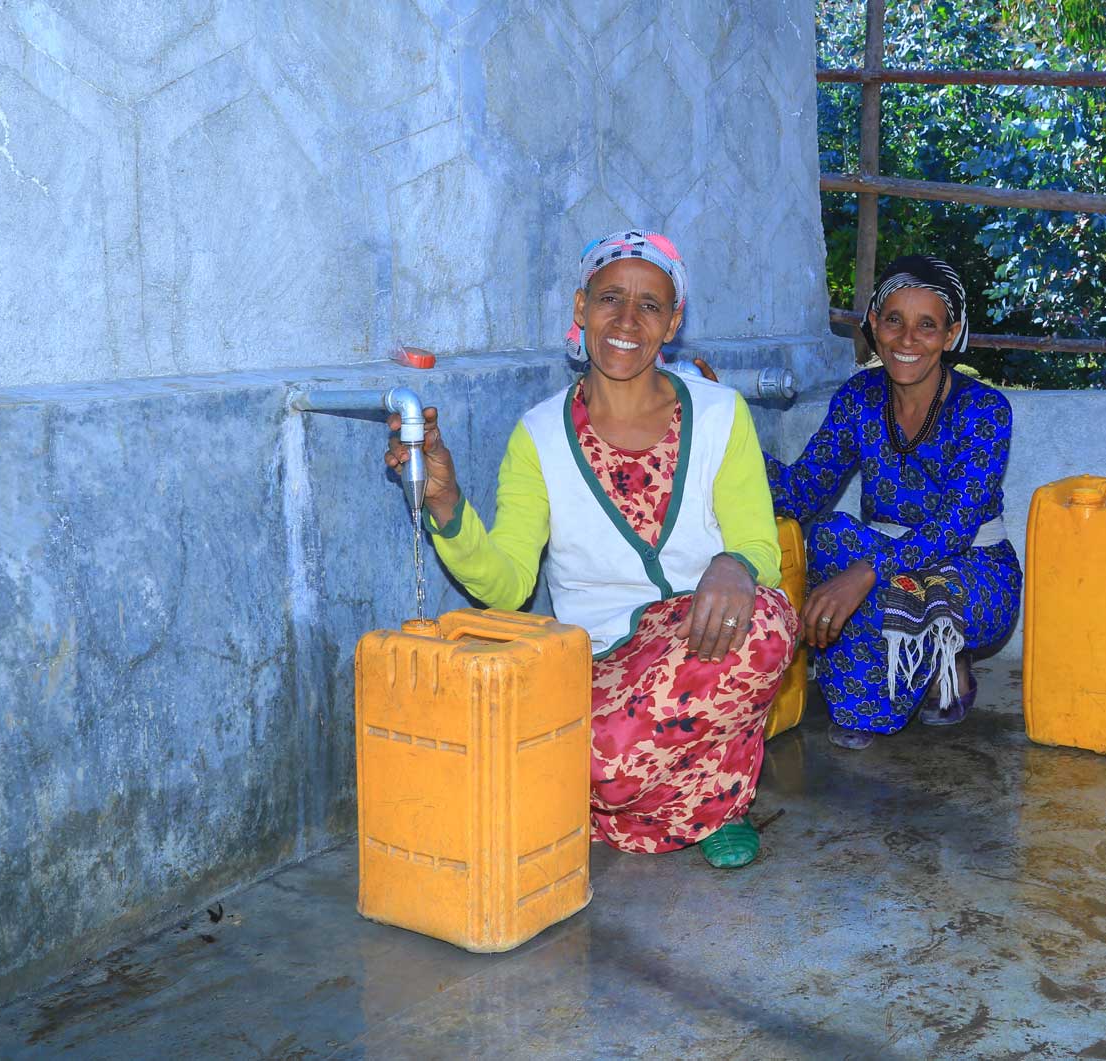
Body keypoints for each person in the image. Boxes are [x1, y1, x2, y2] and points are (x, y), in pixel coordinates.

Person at [387, 230, 795, 868]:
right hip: (601, 662)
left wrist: (733, 563)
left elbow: (758, 547)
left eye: (650, 306)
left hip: (704, 635)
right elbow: (507, 584)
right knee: (602, 756)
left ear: (673, 323)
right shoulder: (540, 434)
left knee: (766, 626)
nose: (627, 321)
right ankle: (698, 807)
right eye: (610, 299)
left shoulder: (721, 414)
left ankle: (680, 807)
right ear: (582, 309)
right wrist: (445, 504)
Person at [766, 255, 1021, 750]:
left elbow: (953, 528)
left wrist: (864, 572)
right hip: (886, 567)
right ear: (874, 327)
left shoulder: (985, 409)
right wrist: (720, 425)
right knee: (830, 537)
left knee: (894, 580)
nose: (907, 340)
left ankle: (950, 662)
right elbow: (802, 492)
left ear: (951, 335)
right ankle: (909, 673)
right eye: (894, 321)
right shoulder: (860, 397)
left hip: (971, 569)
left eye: (927, 325)